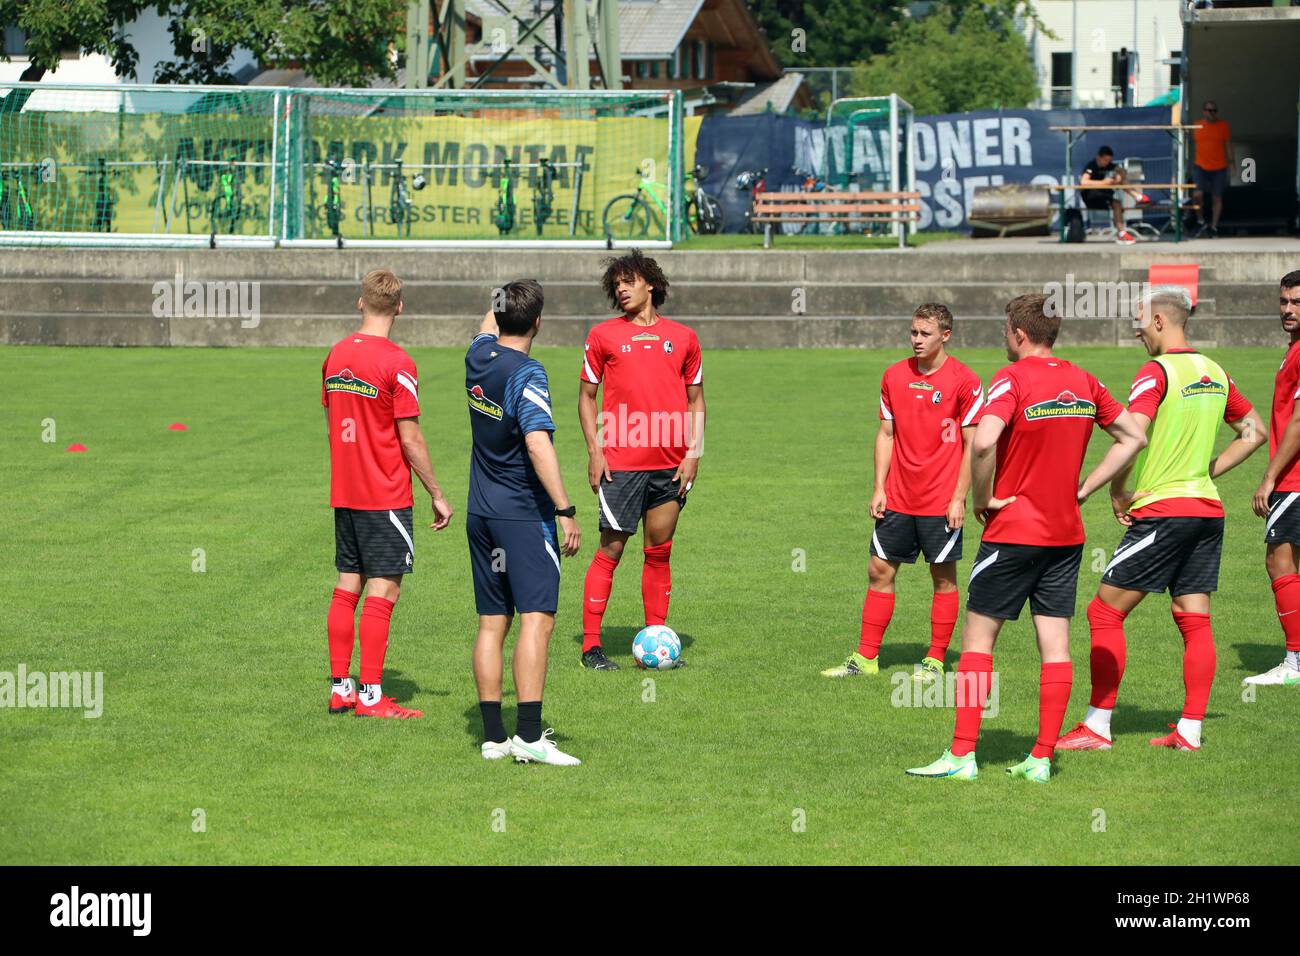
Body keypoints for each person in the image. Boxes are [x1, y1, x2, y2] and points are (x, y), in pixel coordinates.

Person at [905, 293, 1147, 783]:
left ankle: (961, 755)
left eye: (1004, 330)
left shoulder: (1011, 378)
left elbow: (986, 439)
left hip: (1014, 533)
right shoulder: (1084, 380)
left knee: (977, 641)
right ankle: (1040, 758)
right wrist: (1085, 488)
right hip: (1066, 535)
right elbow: (1133, 437)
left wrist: (984, 496)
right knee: (1055, 645)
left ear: (1018, 333)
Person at [1057, 286, 1264, 754]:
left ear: (1159, 322)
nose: (1135, 329)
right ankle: (1188, 733)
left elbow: (1132, 435)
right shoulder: (1215, 371)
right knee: (1194, 618)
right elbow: (1255, 432)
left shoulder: (1156, 371)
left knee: (1104, 611)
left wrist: (1104, 489)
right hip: (1207, 511)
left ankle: (1097, 727)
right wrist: (1206, 471)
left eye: (1139, 320)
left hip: (1164, 512)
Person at [821, 303, 983, 682]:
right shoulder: (894, 376)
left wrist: (959, 496)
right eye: (913, 332)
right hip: (898, 497)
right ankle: (865, 657)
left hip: (941, 501)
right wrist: (879, 487)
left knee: (942, 577)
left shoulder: (965, 380)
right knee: (879, 570)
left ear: (945, 335)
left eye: (925, 334)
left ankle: (935, 659)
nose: (916, 340)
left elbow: (973, 444)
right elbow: (886, 434)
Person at [322, 269, 453, 720]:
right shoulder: (399, 363)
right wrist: (436, 491)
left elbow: (332, 427)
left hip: (346, 491)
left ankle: (342, 687)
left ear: (361, 303)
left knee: (347, 586)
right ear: (399, 307)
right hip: (385, 494)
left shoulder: (335, 356)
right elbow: (411, 438)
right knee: (384, 590)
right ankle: (373, 697)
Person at [466, 280, 583, 764]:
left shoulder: (478, 356)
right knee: (538, 618)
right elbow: (538, 444)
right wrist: (565, 509)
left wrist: (501, 297)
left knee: (493, 623)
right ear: (537, 322)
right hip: (521, 517)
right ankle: (530, 737)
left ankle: (493, 736)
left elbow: (484, 325)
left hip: (481, 514)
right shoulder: (528, 373)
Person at [578, 249, 706, 670]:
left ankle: (656, 639)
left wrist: (693, 453)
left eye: (629, 281)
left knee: (659, 551)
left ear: (650, 283)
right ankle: (591, 647)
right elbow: (586, 398)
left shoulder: (684, 337)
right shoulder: (603, 336)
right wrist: (596, 451)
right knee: (611, 549)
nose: (622, 288)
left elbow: (696, 400)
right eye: (616, 284)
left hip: (670, 464)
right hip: (621, 462)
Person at [1247, 270, 1300, 687]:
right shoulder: (1293, 348)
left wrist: (1269, 477)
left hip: (1294, 478)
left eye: (1296, 302)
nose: (1287, 309)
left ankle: (1294, 664)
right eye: (1284, 301)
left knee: (1279, 559)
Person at [1080, 145, 1139, 245]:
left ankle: (1121, 233)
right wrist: (1104, 182)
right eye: (1105, 160)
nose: (1107, 162)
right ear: (1099, 157)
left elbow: (1121, 171)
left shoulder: (1108, 165)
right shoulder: (1091, 165)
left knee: (1117, 203)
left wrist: (1119, 176)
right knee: (1116, 203)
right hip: (1090, 196)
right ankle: (1137, 196)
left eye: (1109, 160)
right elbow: (1083, 182)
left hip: (1102, 194)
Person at [1191, 100, 1232, 238]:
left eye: (1214, 110)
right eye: (1208, 110)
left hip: (1219, 167)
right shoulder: (1196, 125)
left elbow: (1228, 145)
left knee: (1217, 198)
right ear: (1204, 111)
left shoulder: (1223, 126)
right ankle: (1200, 220)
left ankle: (1214, 226)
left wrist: (1232, 163)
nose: (1211, 113)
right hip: (1200, 166)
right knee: (1197, 195)